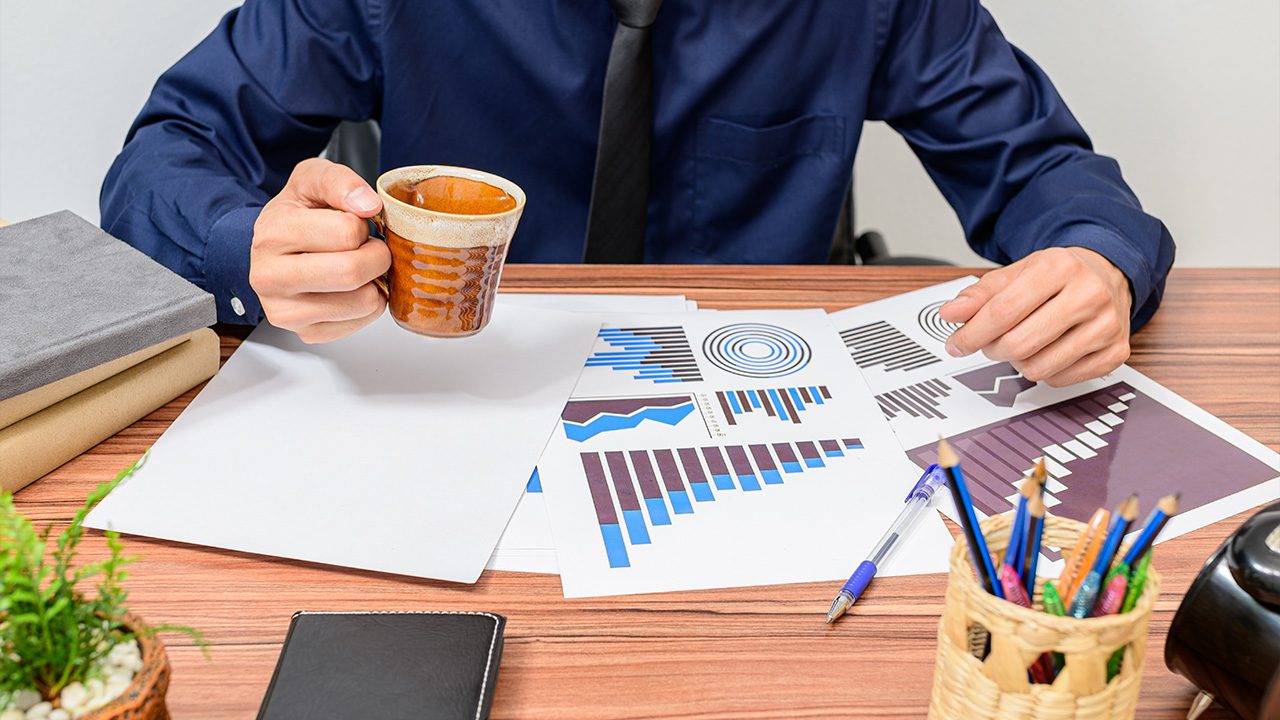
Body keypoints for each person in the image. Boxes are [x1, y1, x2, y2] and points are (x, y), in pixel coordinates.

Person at [101, 0, 1174, 387]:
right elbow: (163, 159)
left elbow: (1044, 171)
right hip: (449, 386)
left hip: (747, 404)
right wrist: (246, 244)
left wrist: (1093, 263)